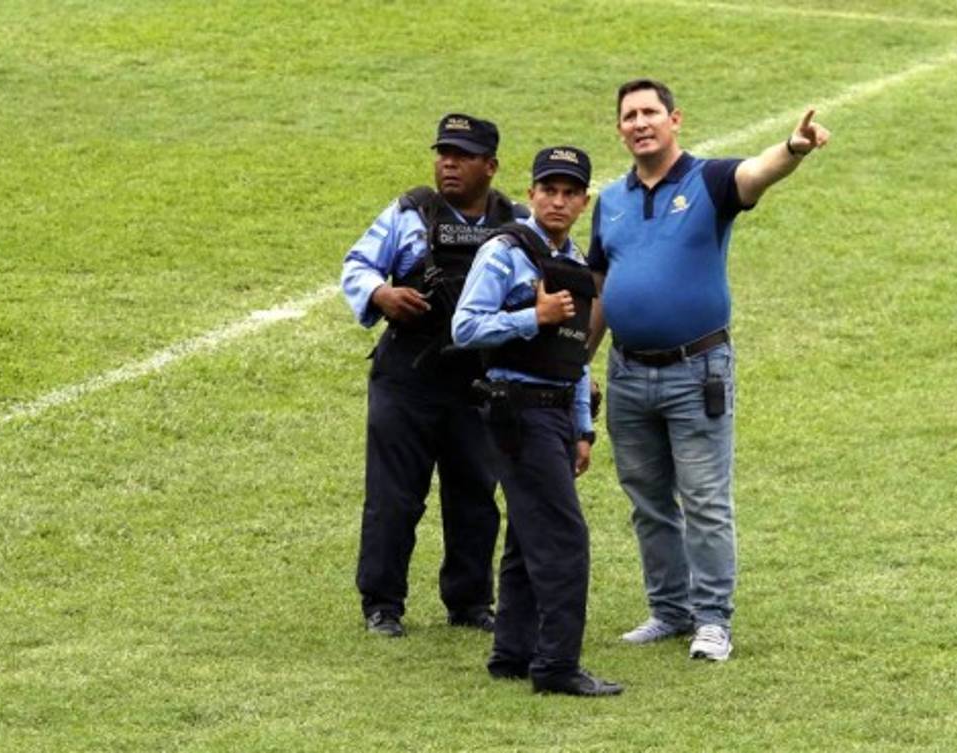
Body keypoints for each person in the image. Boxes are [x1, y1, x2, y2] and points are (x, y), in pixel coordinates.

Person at [586, 79, 831, 661]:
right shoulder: (611, 201)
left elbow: (755, 174)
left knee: (704, 500)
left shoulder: (710, 180)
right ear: (619, 129)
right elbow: (598, 286)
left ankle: (713, 618)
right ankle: (668, 610)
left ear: (676, 120)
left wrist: (793, 148)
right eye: (630, 116)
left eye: (650, 113)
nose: (640, 123)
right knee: (646, 498)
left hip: (696, 372)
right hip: (627, 372)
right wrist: (577, 364)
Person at [341, 113, 528, 638]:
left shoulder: (515, 224)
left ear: (490, 166)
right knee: (394, 495)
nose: (449, 163)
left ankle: (469, 602)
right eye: (443, 153)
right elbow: (357, 264)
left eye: (463, 155)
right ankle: (382, 603)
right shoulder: (409, 212)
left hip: (476, 383)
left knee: (475, 493)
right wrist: (381, 294)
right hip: (407, 380)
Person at [452, 146, 623, 696]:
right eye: (548, 190)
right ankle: (556, 667)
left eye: (570, 192)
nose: (558, 200)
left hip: (554, 415)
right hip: (518, 412)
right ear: (530, 195)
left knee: (529, 539)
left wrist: (583, 428)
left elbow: (573, 359)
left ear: (583, 202)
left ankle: (513, 654)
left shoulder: (572, 262)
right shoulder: (503, 251)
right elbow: (465, 328)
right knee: (565, 539)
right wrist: (534, 316)